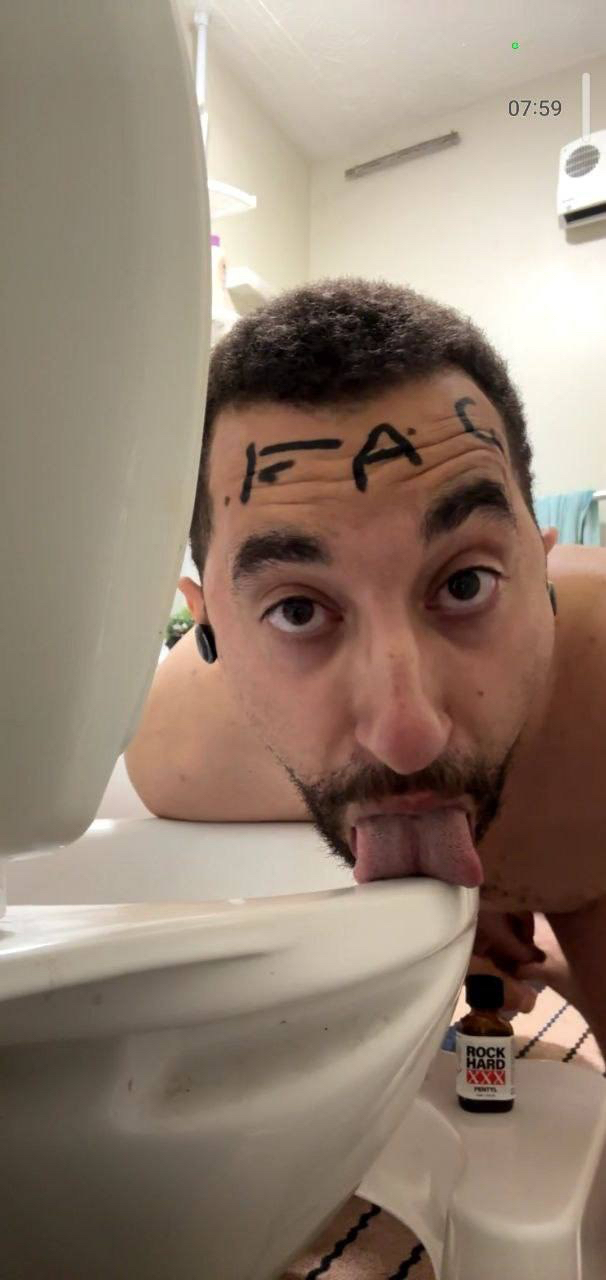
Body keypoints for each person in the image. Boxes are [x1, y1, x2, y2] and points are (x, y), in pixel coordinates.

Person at [125, 277, 606, 1056]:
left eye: (466, 584)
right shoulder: (176, 755)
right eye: (299, 611)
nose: (405, 734)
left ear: (541, 574)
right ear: (209, 627)